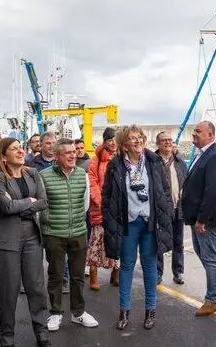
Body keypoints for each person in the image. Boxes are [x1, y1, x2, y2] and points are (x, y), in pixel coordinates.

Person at [102, 126, 173, 330]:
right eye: (133, 138)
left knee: (150, 266)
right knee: (126, 266)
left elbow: (164, 191)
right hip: (128, 224)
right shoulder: (115, 166)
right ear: (124, 145)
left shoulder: (153, 162)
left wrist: (166, 213)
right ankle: (124, 312)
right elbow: (107, 195)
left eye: (140, 137)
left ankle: (150, 311)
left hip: (150, 223)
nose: (138, 141)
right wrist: (109, 219)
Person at [0, 138, 52, 347]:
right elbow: (4, 206)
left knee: (36, 287)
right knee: (9, 290)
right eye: (14, 149)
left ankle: (41, 331)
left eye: (20, 148)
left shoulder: (32, 173)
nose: (20, 151)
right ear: (3, 156)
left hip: (32, 236)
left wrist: (20, 206)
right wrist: (28, 203)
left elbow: (43, 201)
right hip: (7, 240)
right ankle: (6, 337)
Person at [39, 139, 98, 330]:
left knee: (78, 276)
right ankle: (55, 313)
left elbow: (86, 204)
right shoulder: (43, 176)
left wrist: (77, 222)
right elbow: (40, 206)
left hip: (78, 232)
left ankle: (78, 313)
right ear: (57, 156)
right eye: (68, 153)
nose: (73, 155)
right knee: (56, 275)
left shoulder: (82, 174)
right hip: (54, 233)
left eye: (74, 152)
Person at [180, 121, 216, 316]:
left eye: (198, 131)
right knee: (202, 252)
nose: (194, 134)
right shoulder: (204, 154)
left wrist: (202, 219)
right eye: (194, 131)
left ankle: (212, 300)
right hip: (198, 216)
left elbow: (213, 192)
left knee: (210, 257)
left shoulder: (215, 156)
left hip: (208, 218)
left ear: (210, 135)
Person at [86, 127, 119, 290]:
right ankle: (94, 277)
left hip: (119, 208)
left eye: (115, 140)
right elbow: (91, 181)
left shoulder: (123, 157)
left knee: (118, 241)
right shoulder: (97, 159)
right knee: (97, 242)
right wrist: (100, 201)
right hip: (101, 208)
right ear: (105, 142)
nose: (113, 143)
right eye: (109, 140)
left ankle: (116, 274)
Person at [155, 131, 187, 285]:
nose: (167, 143)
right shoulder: (153, 162)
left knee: (178, 242)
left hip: (178, 208)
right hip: (161, 209)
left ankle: (178, 272)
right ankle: (157, 273)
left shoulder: (180, 162)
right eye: (164, 140)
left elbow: (186, 183)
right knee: (159, 242)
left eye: (169, 140)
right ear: (158, 144)